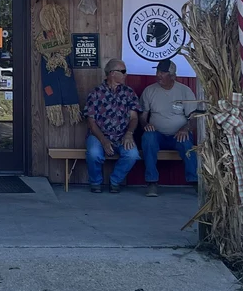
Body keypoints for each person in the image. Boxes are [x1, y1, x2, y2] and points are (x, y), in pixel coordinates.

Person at [139, 60, 198, 196]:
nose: (159, 75)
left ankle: (195, 181)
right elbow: (143, 116)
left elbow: (193, 118)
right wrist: (145, 125)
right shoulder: (150, 90)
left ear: (172, 76)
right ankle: (152, 182)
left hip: (178, 134)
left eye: (163, 72)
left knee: (186, 142)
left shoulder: (184, 91)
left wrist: (185, 128)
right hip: (157, 134)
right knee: (148, 138)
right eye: (158, 71)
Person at [83, 58, 142, 194]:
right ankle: (96, 182)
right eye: (123, 71)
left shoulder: (129, 92)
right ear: (112, 73)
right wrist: (103, 140)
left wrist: (129, 134)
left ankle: (115, 181)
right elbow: (91, 122)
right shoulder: (96, 93)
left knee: (132, 155)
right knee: (93, 153)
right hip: (99, 135)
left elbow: (134, 117)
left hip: (122, 135)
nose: (126, 74)